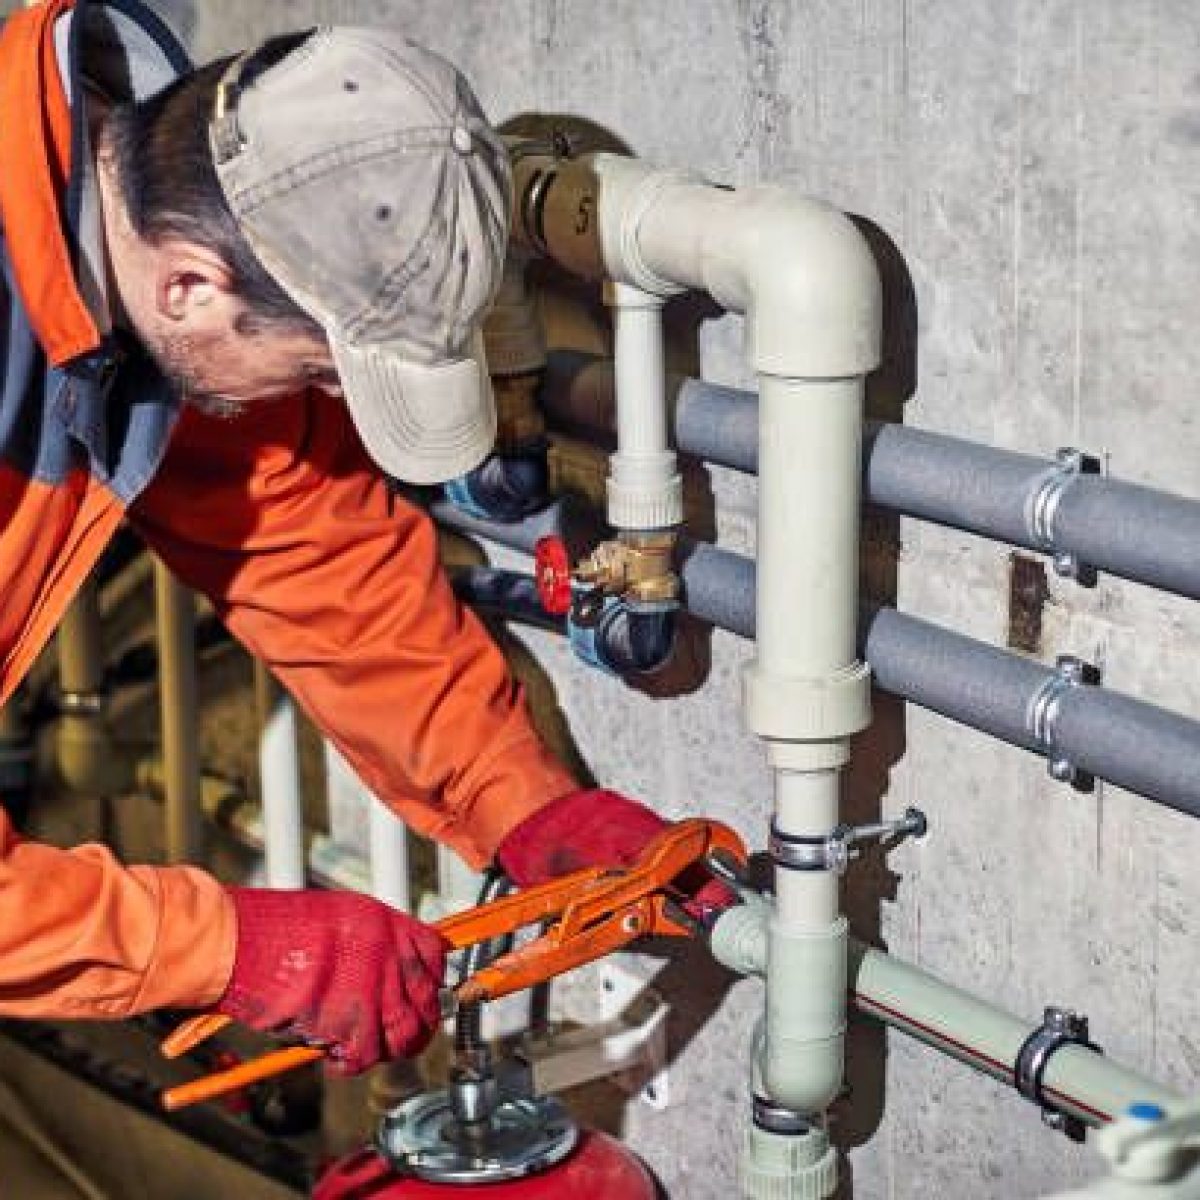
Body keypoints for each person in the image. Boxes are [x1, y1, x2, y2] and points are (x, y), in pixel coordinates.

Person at [0, 1, 722, 1076]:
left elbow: (305, 540)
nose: (327, 396)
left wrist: (516, 800)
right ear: (190, 285)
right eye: (317, 370)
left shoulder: (141, 214)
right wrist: (228, 949)